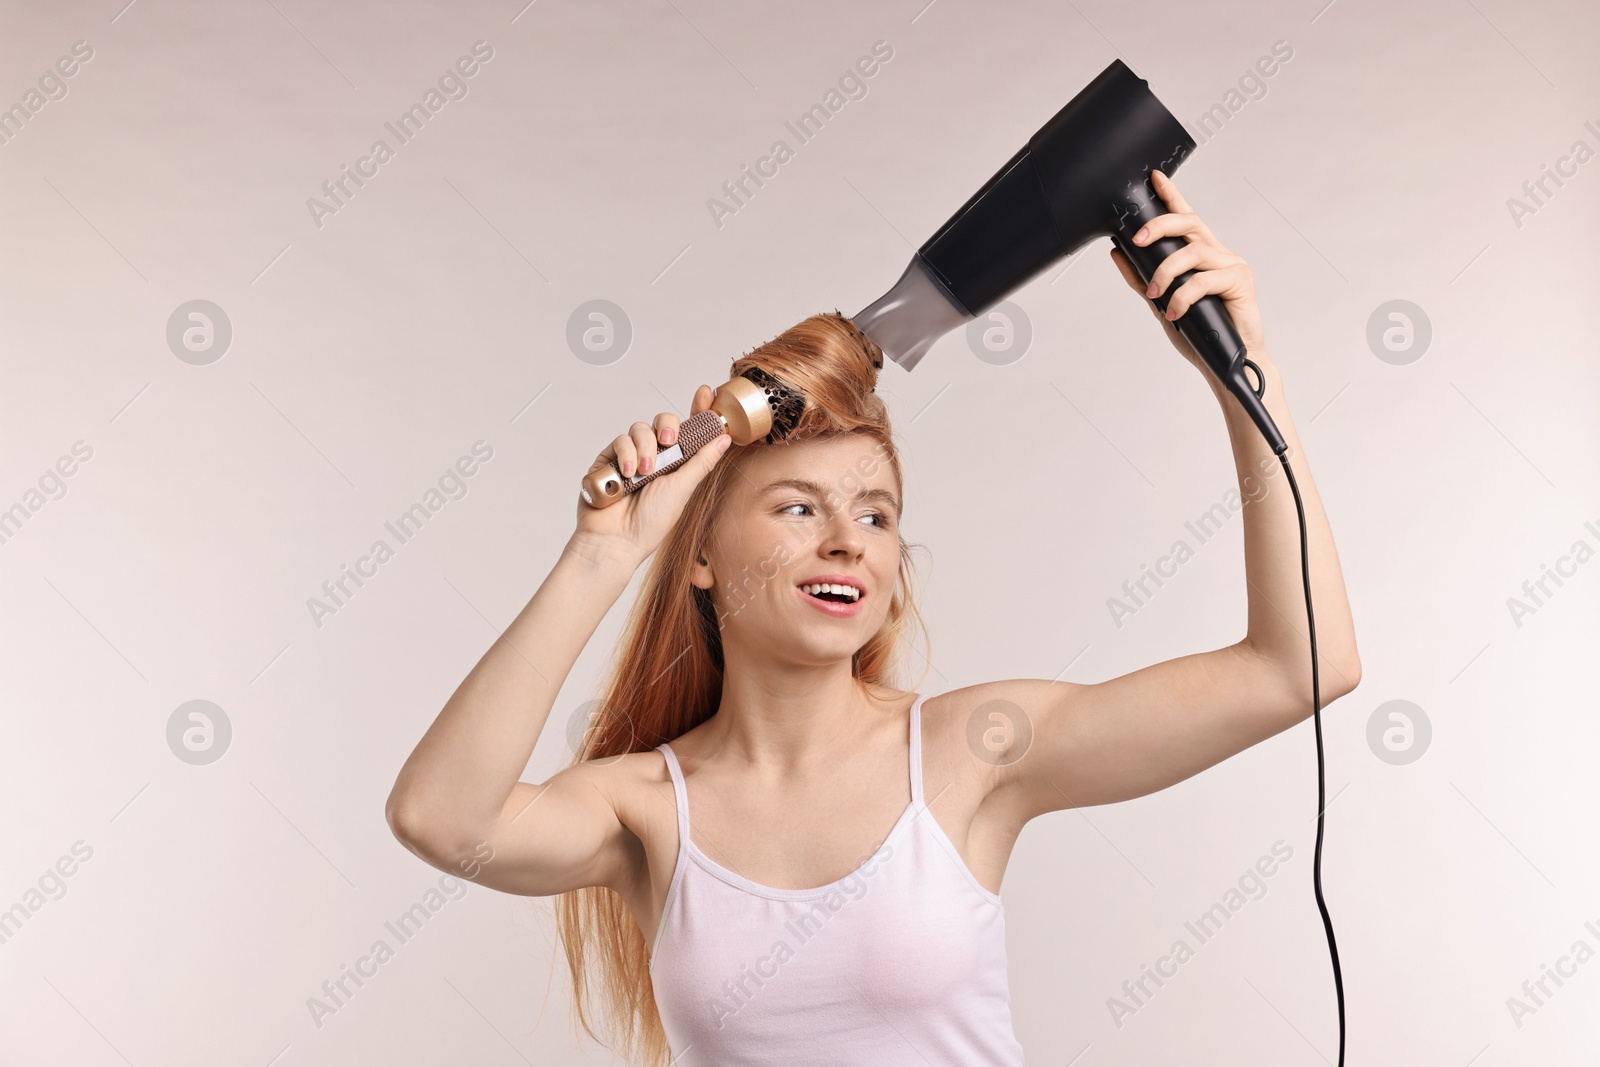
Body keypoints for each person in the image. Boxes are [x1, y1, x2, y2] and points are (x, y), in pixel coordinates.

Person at [385, 169, 1361, 1066]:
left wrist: (1246, 377)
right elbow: (439, 816)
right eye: (799, 506)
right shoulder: (645, 807)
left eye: (876, 512)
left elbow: (1297, 666)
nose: (848, 541)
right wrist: (602, 550)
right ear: (701, 551)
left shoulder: (974, 748)